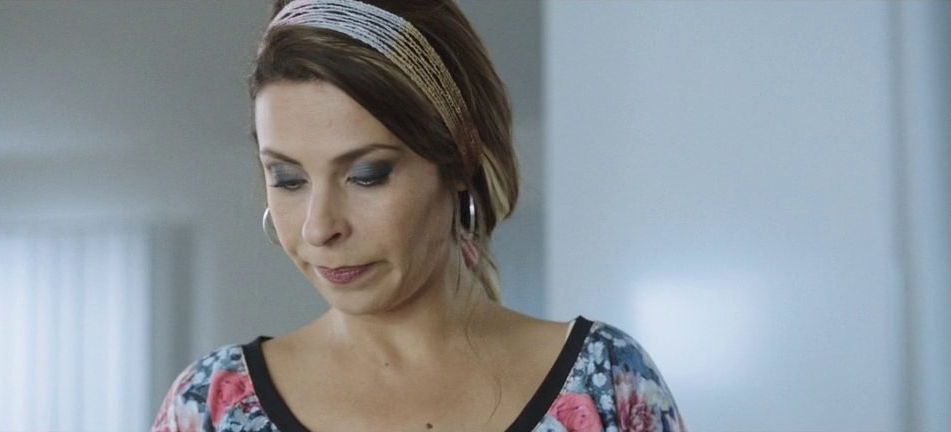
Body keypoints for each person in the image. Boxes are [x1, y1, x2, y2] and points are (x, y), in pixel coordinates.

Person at [152, 0, 686, 431]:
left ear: (458, 162)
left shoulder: (609, 382)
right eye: (288, 179)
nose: (319, 227)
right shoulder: (209, 407)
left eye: (366, 175)